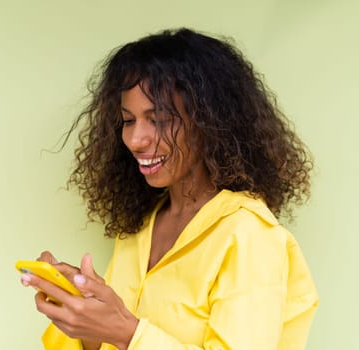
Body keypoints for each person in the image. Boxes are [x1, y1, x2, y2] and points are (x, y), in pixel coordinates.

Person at [20, 28, 319, 350]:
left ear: (211, 121)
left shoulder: (248, 234)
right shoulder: (140, 227)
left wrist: (126, 332)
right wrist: (86, 315)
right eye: (128, 120)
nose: (136, 140)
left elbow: (128, 338)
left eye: (160, 119)